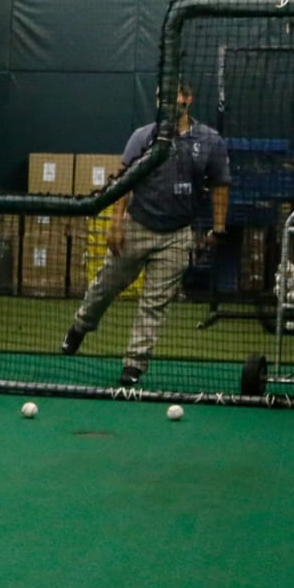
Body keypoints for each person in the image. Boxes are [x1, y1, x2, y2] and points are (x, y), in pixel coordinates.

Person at [60, 82, 229, 386]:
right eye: (160, 97)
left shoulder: (209, 140)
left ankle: (134, 365)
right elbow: (123, 180)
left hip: (177, 235)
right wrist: (115, 222)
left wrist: (219, 228)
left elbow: (220, 185)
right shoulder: (143, 137)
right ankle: (80, 327)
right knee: (105, 287)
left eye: (173, 95)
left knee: (154, 302)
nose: (166, 102)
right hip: (137, 226)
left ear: (187, 99)